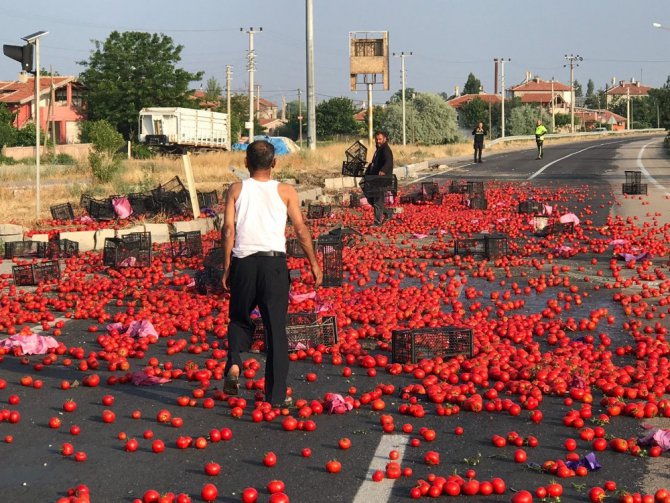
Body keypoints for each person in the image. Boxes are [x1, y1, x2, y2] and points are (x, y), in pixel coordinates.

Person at [221, 140, 322, 408]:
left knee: (239, 319)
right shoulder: (286, 191)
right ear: (274, 163)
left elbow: (228, 230)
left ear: (245, 163)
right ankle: (276, 396)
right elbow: (300, 230)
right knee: (276, 331)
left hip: (244, 263)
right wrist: (313, 262)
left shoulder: (235, 189)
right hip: (274, 265)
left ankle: (233, 364)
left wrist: (227, 265)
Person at [365, 131, 394, 225]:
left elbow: (389, 161)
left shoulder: (385, 149)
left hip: (382, 179)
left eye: (380, 139)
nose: (378, 141)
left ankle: (377, 222)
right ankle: (388, 212)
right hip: (375, 178)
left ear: (385, 139)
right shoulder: (379, 149)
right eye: (377, 139)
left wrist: (383, 170)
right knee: (371, 199)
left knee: (377, 200)